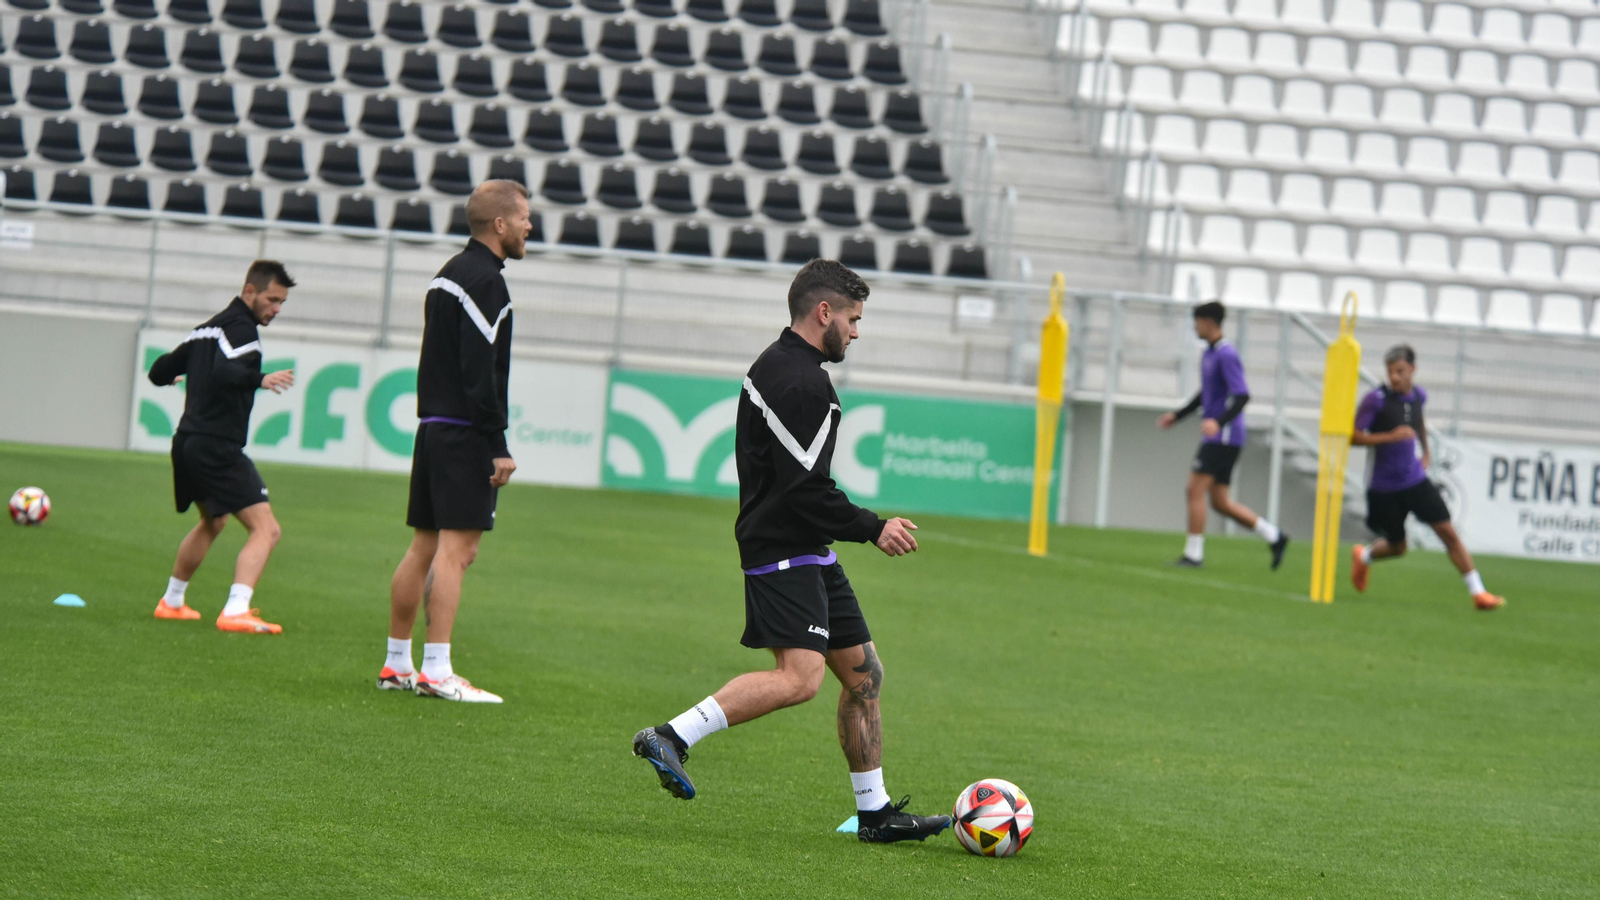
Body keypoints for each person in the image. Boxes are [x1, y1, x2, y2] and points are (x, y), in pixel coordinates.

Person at [630, 259, 952, 845]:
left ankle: (874, 812)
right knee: (800, 678)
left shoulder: (784, 365)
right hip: (783, 547)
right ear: (822, 313)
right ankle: (671, 736)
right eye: (853, 319)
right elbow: (804, 490)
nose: (856, 332)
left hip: (804, 546)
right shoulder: (800, 383)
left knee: (864, 676)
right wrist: (872, 527)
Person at [376, 179, 533, 703]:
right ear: (500, 224)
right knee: (456, 552)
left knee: (423, 545)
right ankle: (436, 669)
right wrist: (497, 441)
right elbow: (478, 370)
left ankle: (397, 662)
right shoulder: (486, 281)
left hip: (434, 429)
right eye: (525, 217)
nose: (531, 226)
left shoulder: (446, 276)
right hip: (466, 434)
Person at [147, 260, 297, 634]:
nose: (276, 309)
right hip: (217, 445)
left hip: (187, 441)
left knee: (213, 521)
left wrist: (179, 374)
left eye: (281, 302)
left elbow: (160, 370)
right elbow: (227, 372)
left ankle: (173, 601)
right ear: (250, 292)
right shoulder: (241, 327)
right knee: (267, 530)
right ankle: (236, 609)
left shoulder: (206, 330)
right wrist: (259, 378)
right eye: (272, 299)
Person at [1349, 345, 1504, 610]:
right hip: (1384, 488)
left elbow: (1418, 422)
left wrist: (1426, 452)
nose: (1394, 378)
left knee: (1447, 531)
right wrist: (1389, 436)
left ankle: (1479, 593)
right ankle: (1364, 556)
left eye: (1399, 371)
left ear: (1412, 369)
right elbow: (1353, 436)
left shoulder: (1418, 397)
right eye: (1390, 372)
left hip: (1414, 480)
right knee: (1399, 547)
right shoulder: (1376, 400)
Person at [1158, 301, 1289, 569]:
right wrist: (1178, 415)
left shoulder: (1227, 354)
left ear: (1209, 322)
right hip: (1220, 435)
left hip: (1225, 436)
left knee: (1193, 489)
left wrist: (1218, 422)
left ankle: (1193, 554)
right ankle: (1274, 536)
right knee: (1220, 501)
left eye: (1197, 321)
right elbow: (1205, 394)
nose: (1195, 326)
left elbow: (1242, 395)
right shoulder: (1209, 353)